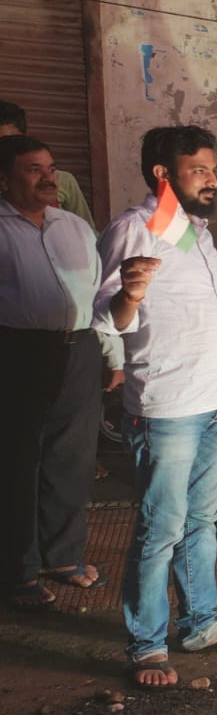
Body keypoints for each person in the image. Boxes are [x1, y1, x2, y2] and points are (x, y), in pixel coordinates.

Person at [94, 126, 217, 687]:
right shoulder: (133, 229)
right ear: (163, 175)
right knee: (159, 526)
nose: (213, 179)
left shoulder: (194, 233)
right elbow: (104, 320)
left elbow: (210, 310)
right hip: (167, 403)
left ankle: (199, 624)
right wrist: (129, 294)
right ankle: (146, 645)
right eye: (199, 170)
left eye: (213, 169)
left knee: (201, 520)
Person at [0, 135, 106, 607]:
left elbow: (100, 294)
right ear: (3, 179)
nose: (48, 178)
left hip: (80, 348)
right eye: (32, 169)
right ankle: (18, 571)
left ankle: (63, 556)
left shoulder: (74, 227)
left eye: (50, 167)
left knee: (72, 456)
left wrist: (113, 355)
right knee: (19, 461)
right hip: (18, 350)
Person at [0, 99, 95, 231]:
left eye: (11, 141)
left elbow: (88, 234)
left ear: (25, 138)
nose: (3, 148)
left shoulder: (62, 180)